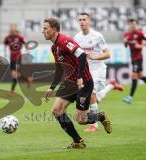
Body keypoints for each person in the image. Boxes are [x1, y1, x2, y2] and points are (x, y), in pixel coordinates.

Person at [43, 18, 112, 149]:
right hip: (69, 83)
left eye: (45, 28)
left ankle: (100, 116)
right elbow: (59, 68)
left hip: (83, 83)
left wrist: (80, 77)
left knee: (81, 120)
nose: (43, 31)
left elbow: (81, 56)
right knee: (57, 110)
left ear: (54, 29)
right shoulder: (54, 47)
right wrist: (51, 87)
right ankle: (78, 141)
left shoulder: (65, 41)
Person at [74, 12, 123, 132]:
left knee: (92, 95)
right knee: (93, 97)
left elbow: (108, 54)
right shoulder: (77, 37)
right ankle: (111, 85)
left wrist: (94, 57)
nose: (82, 22)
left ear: (89, 21)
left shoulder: (97, 36)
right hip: (86, 73)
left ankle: (94, 125)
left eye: (84, 19)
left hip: (98, 70)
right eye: (80, 20)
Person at [4, 24, 33, 96]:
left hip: (18, 58)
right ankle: (28, 79)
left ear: (15, 29)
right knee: (16, 75)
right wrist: (5, 53)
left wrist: (27, 50)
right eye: (11, 28)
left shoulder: (19, 37)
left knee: (14, 75)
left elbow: (25, 43)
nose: (12, 29)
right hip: (11, 58)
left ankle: (12, 91)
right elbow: (5, 45)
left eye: (13, 28)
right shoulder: (7, 38)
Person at [123, 18, 146, 104]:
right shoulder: (127, 34)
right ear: (129, 25)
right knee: (140, 76)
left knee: (134, 76)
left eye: (134, 24)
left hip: (138, 58)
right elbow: (125, 45)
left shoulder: (139, 33)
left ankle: (130, 97)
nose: (133, 26)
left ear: (135, 25)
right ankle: (130, 97)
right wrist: (125, 42)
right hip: (133, 59)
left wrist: (140, 46)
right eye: (131, 24)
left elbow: (144, 42)